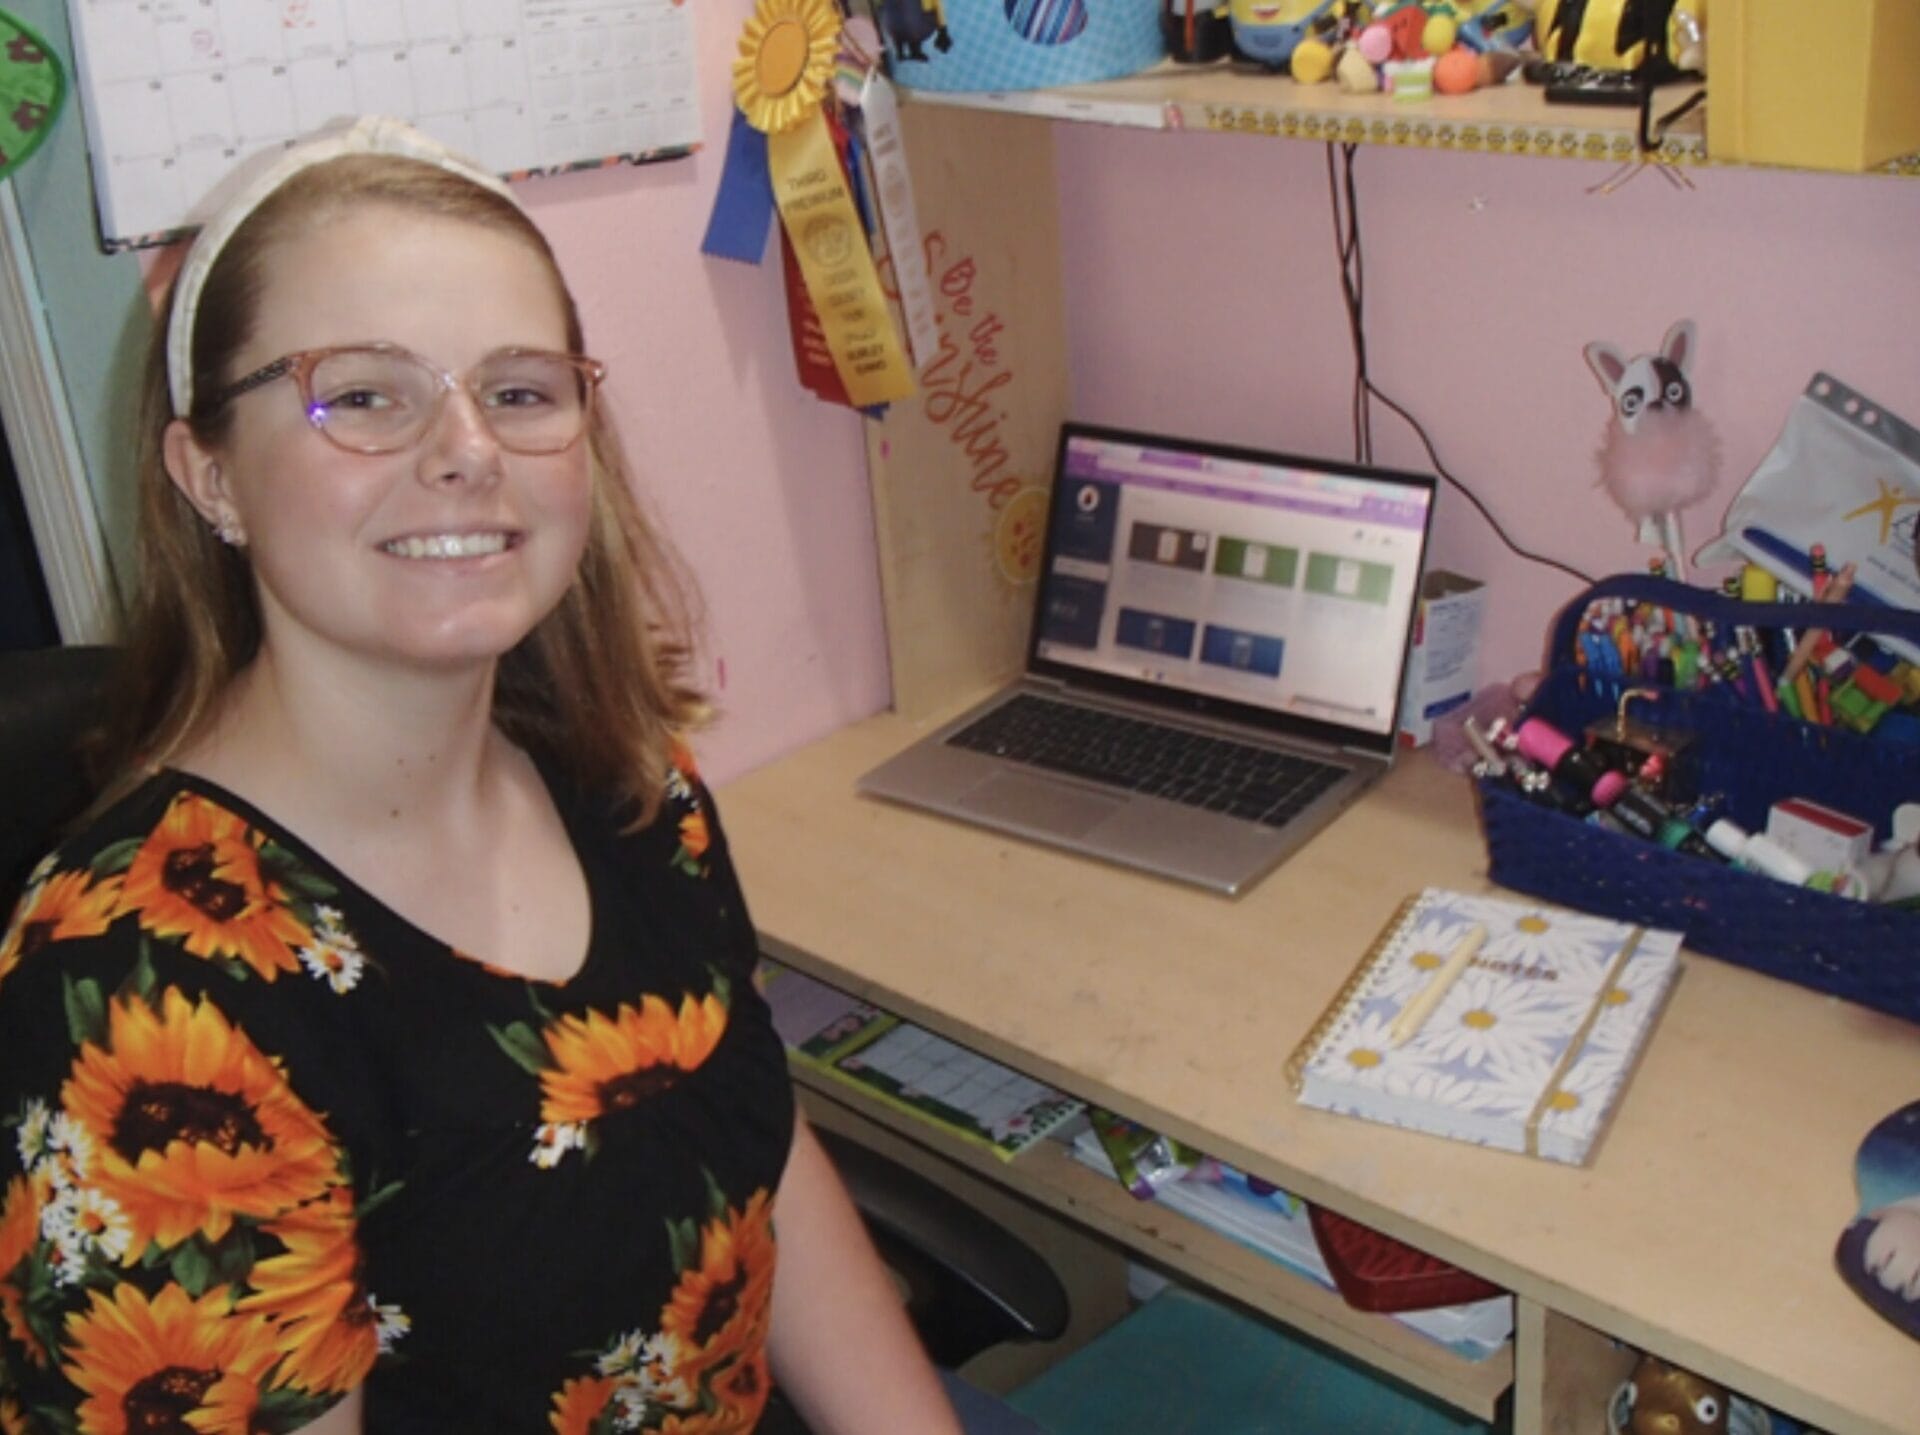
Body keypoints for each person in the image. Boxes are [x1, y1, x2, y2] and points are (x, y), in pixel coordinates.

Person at [0, 116, 964, 1434]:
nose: (466, 450)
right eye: (366, 394)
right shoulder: (146, 979)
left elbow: (760, 1159)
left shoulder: (625, 783)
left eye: (519, 391)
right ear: (207, 474)